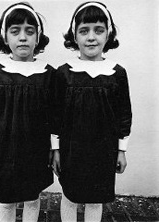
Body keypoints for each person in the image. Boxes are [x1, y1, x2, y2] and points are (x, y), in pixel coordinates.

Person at [52, 1, 132, 221]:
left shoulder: (117, 73)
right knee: (71, 195)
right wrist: (55, 149)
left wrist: (121, 150)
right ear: (74, 36)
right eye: (84, 30)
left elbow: (124, 114)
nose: (91, 37)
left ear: (109, 34)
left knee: (96, 197)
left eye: (99, 30)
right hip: (71, 149)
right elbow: (55, 116)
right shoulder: (64, 73)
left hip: (103, 149)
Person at [0, 2, 56, 221]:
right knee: (7, 198)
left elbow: (54, 116)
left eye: (29, 31)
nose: (23, 37)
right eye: (15, 31)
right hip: (5, 147)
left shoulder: (47, 73)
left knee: (32, 197)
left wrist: (54, 148)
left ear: (37, 37)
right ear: (5, 37)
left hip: (36, 148)